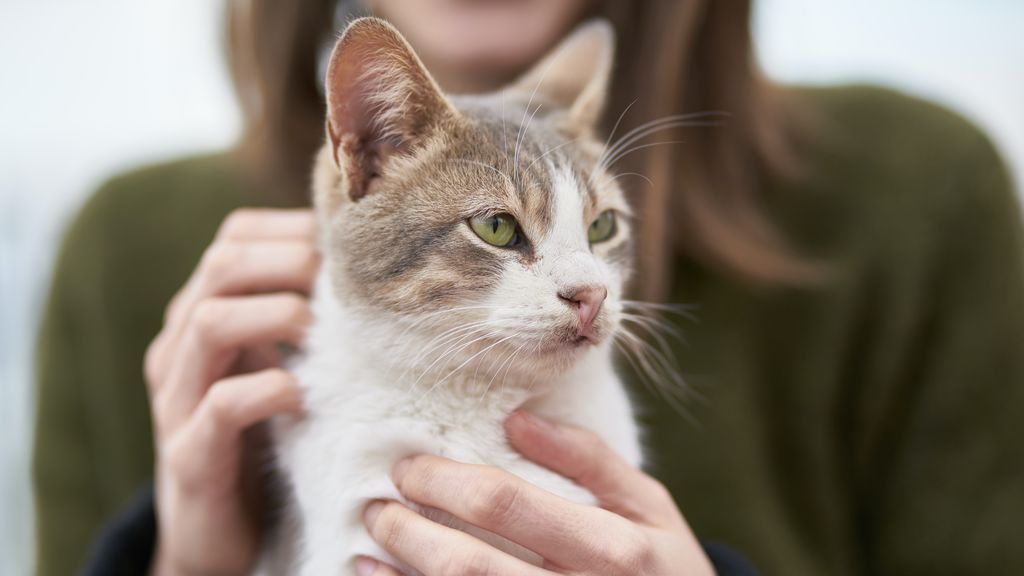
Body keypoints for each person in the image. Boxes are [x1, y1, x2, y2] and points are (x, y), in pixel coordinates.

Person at [33, 0, 1024, 575]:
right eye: (501, 230)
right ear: (365, 155)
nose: (587, 290)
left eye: (600, 231)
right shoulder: (126, 244)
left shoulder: (916, 191)